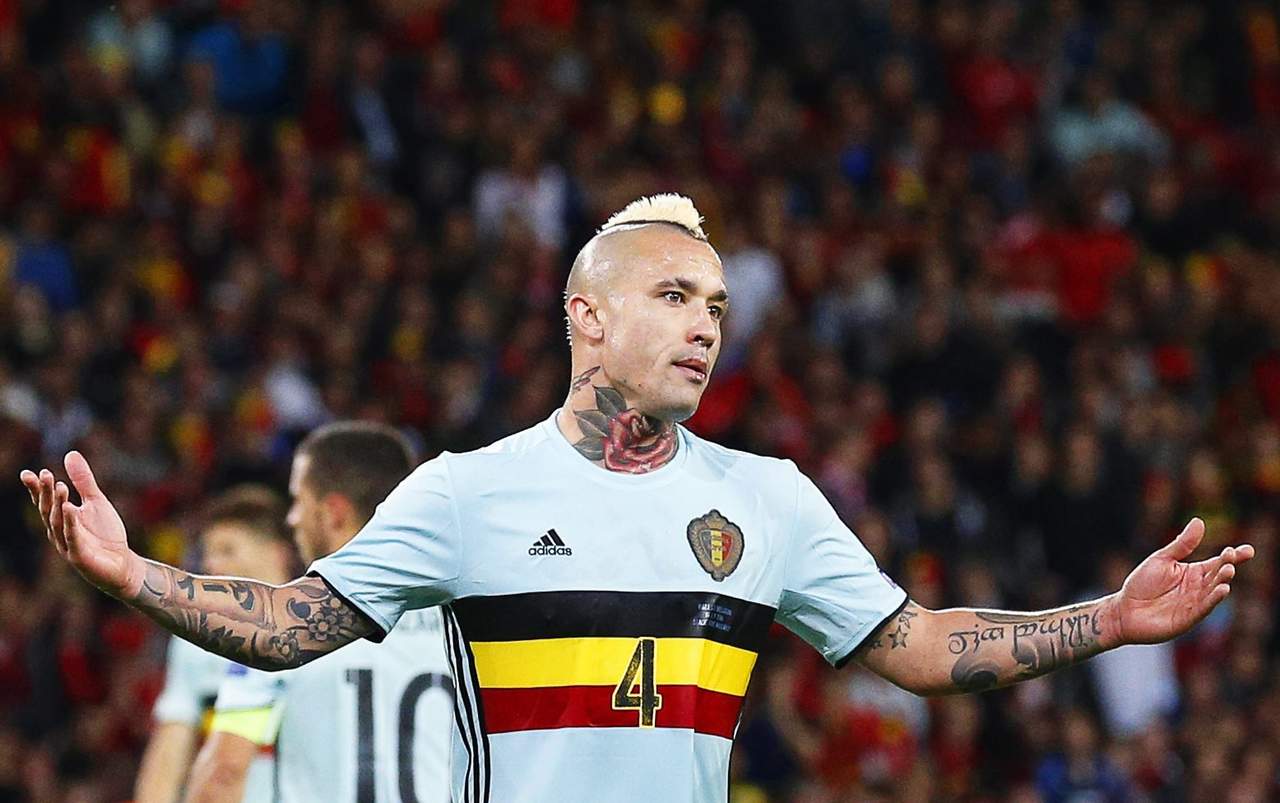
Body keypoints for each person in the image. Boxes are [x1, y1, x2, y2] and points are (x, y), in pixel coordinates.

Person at [21, 195, 1255, 803]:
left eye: (714, 305)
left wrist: (1106, 618)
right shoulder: (465, 492)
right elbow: (294, 622)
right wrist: (132, 575)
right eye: (672, 297)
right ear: (587, 316)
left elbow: (921, 647)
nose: (704, 325)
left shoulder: (768, 499)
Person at [184, 422, 453, 803]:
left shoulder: (281, 625)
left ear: (333, 513)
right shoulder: (460, 619)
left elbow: (224, 771)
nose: (292, 518)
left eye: (298, 501)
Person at [133, 486, 294, 803]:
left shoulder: (322, 635)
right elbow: (170, 748)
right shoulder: (195, 643)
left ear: (277, 553)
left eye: (227, 550)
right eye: (209, 553)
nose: (212, 565)